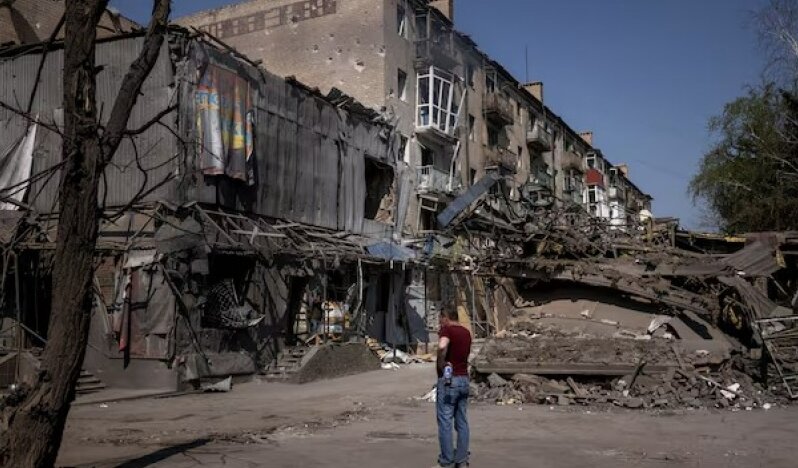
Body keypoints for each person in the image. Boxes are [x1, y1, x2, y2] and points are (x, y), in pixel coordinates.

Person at [434, 307, 472, 467]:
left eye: (440, 318)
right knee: (462, 421)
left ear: (446, 317)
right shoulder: (466, 332)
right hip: (464, 379)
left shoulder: (447, 330)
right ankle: (462, 459)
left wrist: (441, 361)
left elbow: (442, 346)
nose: (439, 322)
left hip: (450, 381)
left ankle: (447, 460)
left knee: (445, 421)